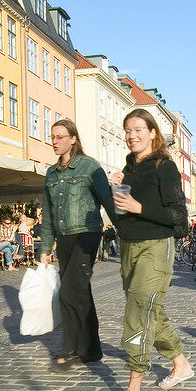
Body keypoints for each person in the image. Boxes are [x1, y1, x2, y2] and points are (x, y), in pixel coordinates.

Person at [108, 109, 193, 391]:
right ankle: (180, 363)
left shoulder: (164, 166)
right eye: (128, 130)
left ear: (153, 132)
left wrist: (137, 205)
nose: (132, 135)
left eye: (138, 130)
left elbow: (178, 217)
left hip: (156, 248)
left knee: (138, 311)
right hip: (129, 247)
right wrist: (115, 190)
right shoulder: (129, 169)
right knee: (151, 310)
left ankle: (134, 390)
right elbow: (121, 214)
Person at [38, 118, 117, 369]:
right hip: (63, 238)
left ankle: (69, 347)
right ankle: (92, 349)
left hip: (87, 235)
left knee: (69, 290)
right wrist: (45, 248)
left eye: (60, 137)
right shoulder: (51, 173)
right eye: (52, 137)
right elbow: (48, 213)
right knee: (80, 290)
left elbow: (109, 200)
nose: (55, 141)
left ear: (73, 138)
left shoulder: (89, 167)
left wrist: (127, 232)